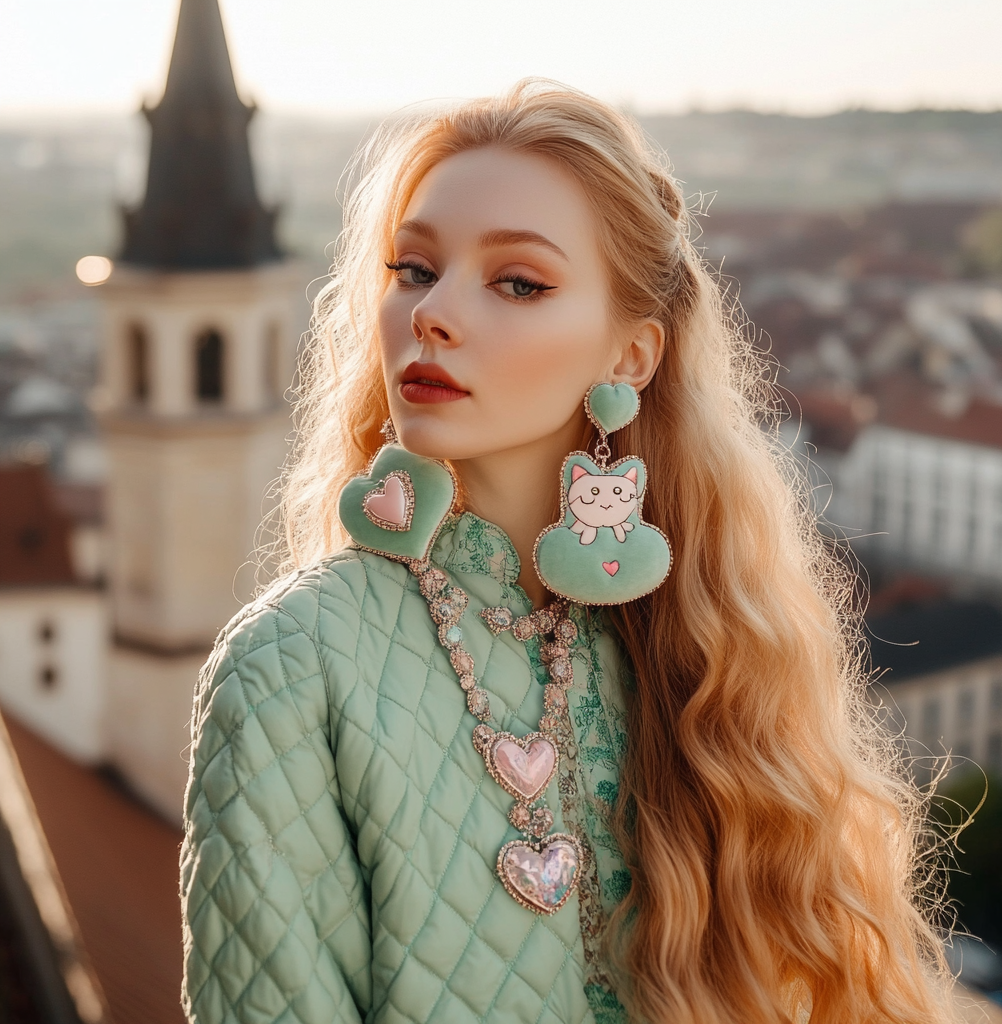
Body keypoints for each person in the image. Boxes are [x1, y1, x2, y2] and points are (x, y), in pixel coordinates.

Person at [180, 80, 955, 1024]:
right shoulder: (291, 665)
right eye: (414, 269)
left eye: (518, 282)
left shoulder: (701, 644)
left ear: (630, 356)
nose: (432, 314)